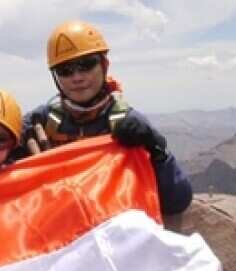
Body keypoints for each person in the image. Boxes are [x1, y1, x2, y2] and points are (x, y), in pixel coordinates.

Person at [21, 20, 193, 215]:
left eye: (86, 65)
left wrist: (158, 152)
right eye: (65, 70)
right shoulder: (41, 121)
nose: (77, 77)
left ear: (104, 65)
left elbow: (177, 202)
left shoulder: (129, 124)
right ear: (56, 78)